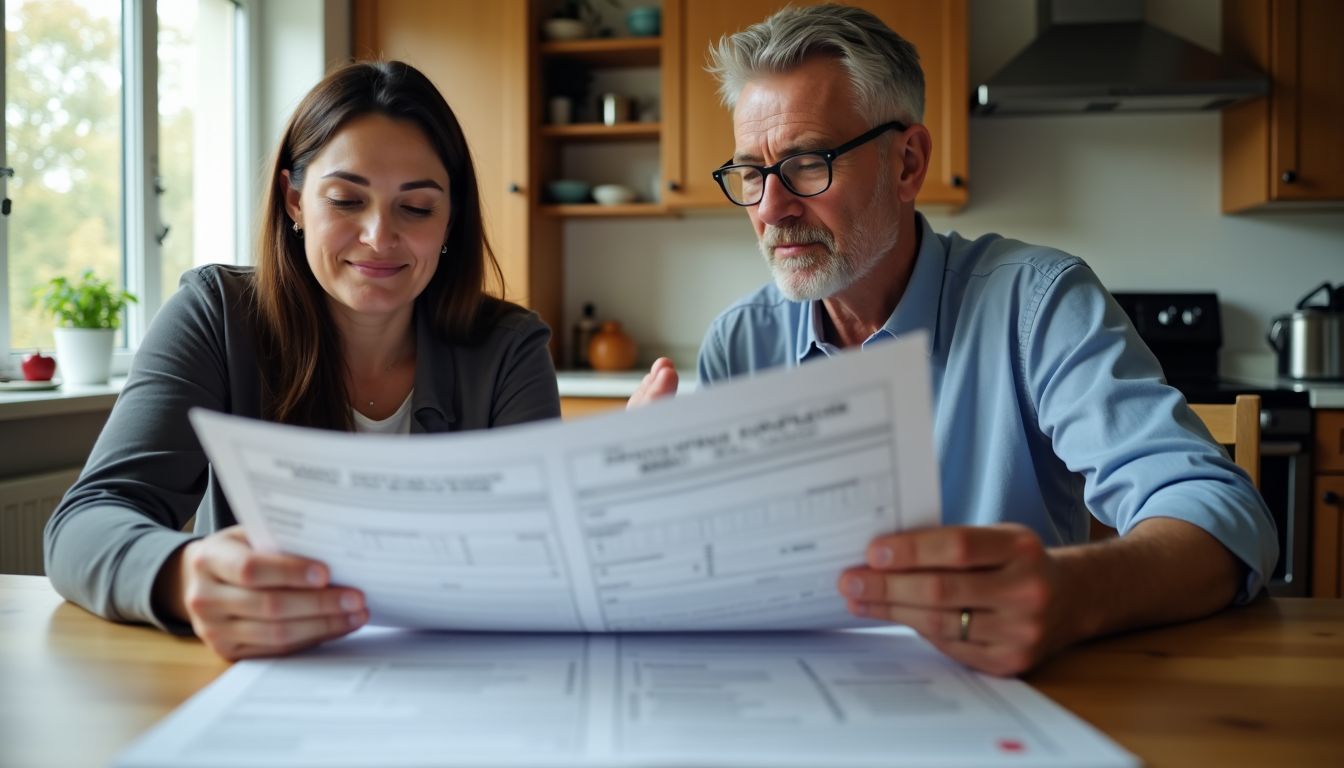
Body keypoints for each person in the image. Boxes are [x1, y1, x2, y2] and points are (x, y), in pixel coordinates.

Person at [629, 4, 1277, 676]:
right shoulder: (741, 342)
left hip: (1002, 700)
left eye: (807, 163)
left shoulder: (1036, 303)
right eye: (752, 173)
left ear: (908, 163)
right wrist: (647, 509)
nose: (770, 208)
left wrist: (1070, 594)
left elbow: (1225, 517)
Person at [44, 61, 561, 660]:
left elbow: (540, 558)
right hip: (265, 682)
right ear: (294, 200)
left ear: (450, 218)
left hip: (460, 684)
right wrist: (183, 576)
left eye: (416, 208)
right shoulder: (216, 316)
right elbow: (85, 522)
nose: (378, 235)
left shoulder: (510, 347)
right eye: (345, 199)